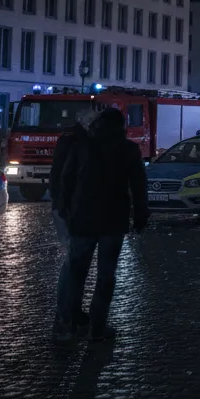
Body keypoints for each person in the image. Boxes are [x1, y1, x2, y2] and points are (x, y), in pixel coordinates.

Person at [55, 108, 149, 342]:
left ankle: (70, 322)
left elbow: (66, 179)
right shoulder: (128, 149)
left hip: (82, 218)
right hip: (113, 220)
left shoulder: (83, 145)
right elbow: (138, 185)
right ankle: (98, 326)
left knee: (76, 273)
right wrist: (140, 215)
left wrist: (66, 208)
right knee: (106, 277)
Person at [50, 108, 95, 335]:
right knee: (74, 264)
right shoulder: (78, 142)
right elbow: (64, 178)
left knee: (77, 264)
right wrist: (65, 207)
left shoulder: (73, 140)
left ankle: (71, 313)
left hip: (71, 209)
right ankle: (65, 316)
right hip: (72, 211)